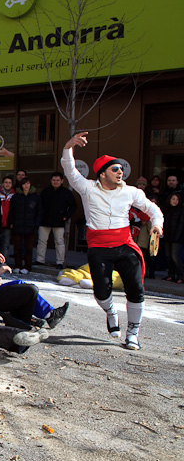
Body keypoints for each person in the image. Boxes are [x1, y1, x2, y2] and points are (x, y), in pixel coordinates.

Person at [62, 131, 163, 350]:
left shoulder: (131, 192)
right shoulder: (88, 188)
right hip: (98, 247)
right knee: (101, 291)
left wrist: (157, 224)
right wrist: (68, 147)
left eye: (121, 169)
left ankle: (133, 333)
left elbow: (152, 208)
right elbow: (70, 172)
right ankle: (111, 312)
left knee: (136, 289)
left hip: (125, 244)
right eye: (115, 169)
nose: (120, 172)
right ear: (102, 174)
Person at [36, 172, 77, 268]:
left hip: (59, 222)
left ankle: (60, 262)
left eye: (58, 180)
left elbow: (73, 206)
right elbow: (39, 205)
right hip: (44, 221)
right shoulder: (45, 191)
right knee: (42, 241)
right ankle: (40, 260)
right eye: (53, 180)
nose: (55, 182)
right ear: (51, 181)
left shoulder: (66, 193)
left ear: (62, 181)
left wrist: (66, 216)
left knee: (59, 242)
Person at [9, 177, 42, 274]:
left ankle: (27, 267)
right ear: (21, 185)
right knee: (17, 248)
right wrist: (11, 222)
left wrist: (36, 224)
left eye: (28, 183)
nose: (26, 186)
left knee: (29, 248)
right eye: (24, 184)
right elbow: (12, 211)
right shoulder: (16, 197)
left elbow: (40, 212)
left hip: (30, 226)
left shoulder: (36, 197)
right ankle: (17, 265)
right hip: (18, 225)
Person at [162, 193, 183, 283]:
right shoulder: (167, 210)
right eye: (173, 199)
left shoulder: (181, 210)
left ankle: (181, 275)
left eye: (176, 199)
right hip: (168, 236)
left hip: (176, 237)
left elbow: (181, 224)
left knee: (175, 257)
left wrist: (177, 237)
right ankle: (171, 274)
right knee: (168, 256)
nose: (174, 201)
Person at [0, 175, 15, 256]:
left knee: (5, 245)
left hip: (8, 224)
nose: (7, 184)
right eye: (6, 182)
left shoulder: (14, 195)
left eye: (9, 183)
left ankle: (3, 263)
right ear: (2, 184)